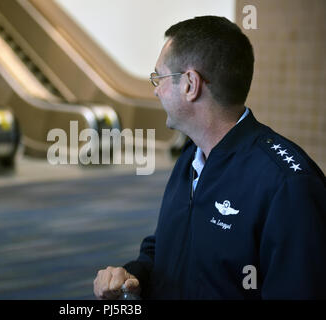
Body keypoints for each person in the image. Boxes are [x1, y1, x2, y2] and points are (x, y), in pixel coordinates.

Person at [93, 16, 326, 299]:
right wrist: (133, 276)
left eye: (160, 77)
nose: (156, 90)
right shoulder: (191, 158)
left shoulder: (287, 185)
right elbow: (167, 249)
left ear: (190, 84)